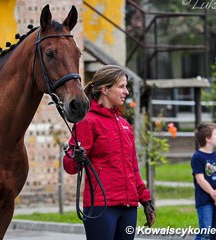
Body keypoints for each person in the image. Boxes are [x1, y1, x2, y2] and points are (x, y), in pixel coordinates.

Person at [63, 65, 156, 240]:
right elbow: (70, 166)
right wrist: (75, 157)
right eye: (121, 86)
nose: (126, 92)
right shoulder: (87, 121)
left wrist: (146, 200)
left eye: (126, 86)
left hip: (129, 208)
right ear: (105, 89)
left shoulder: (125, 125)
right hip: (101, 206)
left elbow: (133, 169)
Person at [191, 123, 216, 240]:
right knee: (205, 232)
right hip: (205, 201)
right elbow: (200, 179)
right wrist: (213, 194)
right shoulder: (197, 157)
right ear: (208, 138)